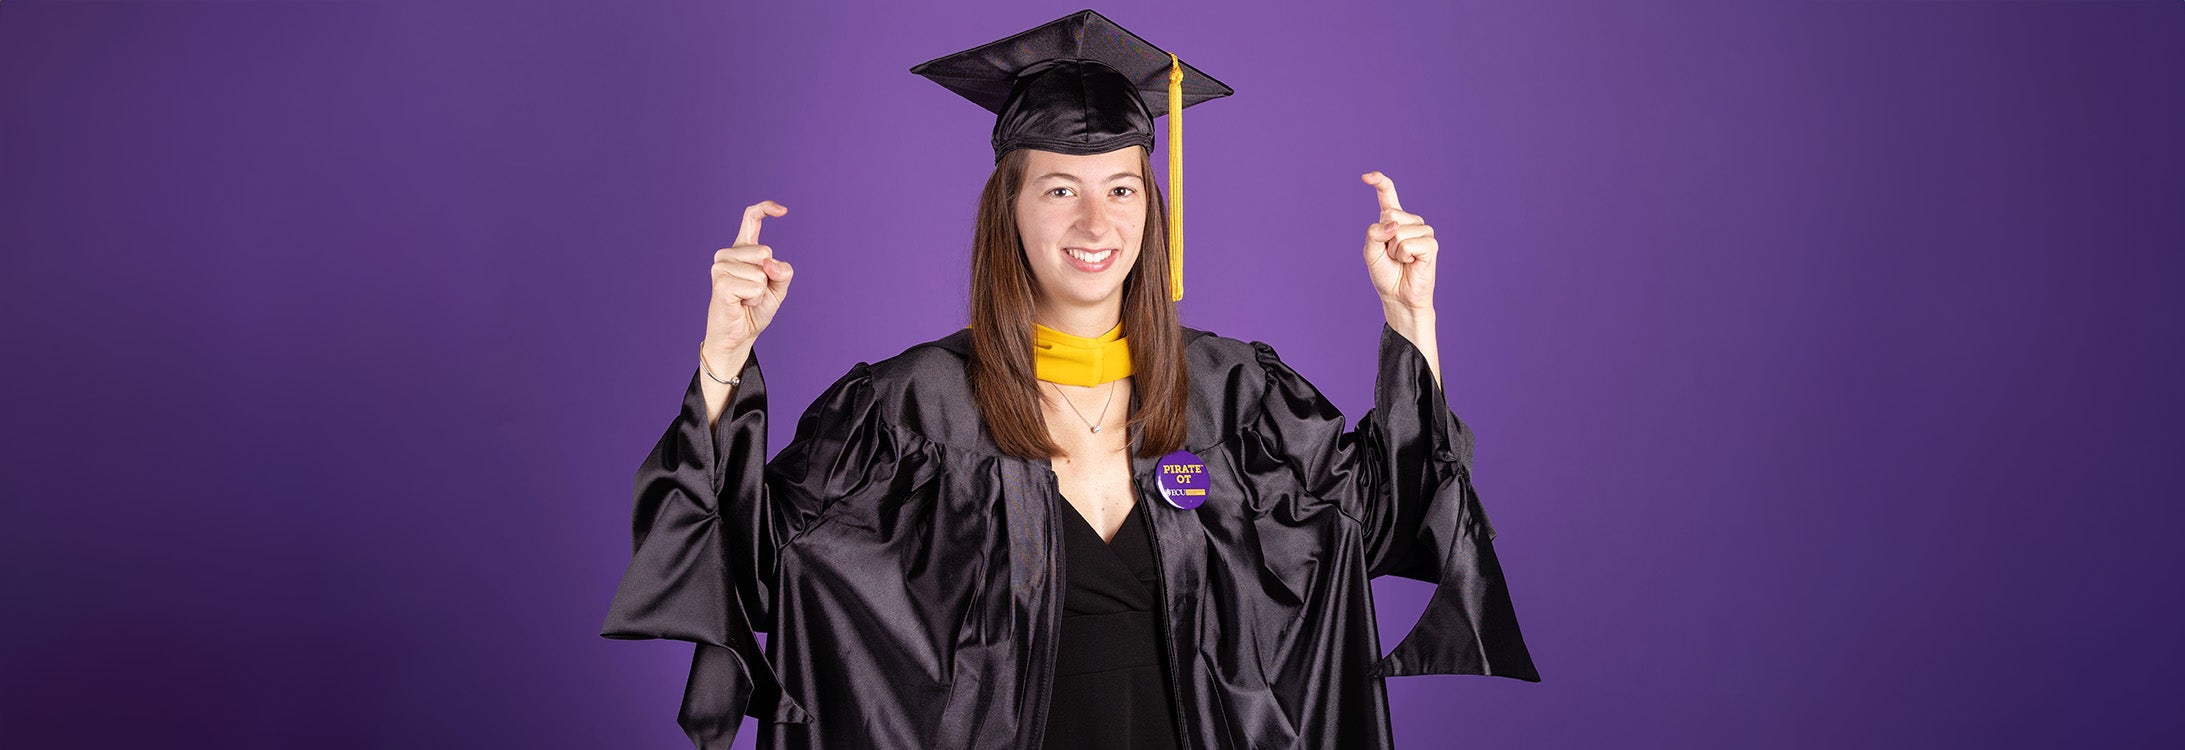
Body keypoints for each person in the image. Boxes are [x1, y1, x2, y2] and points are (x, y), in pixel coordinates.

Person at [602, 10, 1538, 750]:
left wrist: (1409, 318)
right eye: (1059, 188)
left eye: (1121, 187)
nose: (1096, 221)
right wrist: (724, 357)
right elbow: (746, 562)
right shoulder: (906, 410)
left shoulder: (1236, 396)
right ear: (1007, 209)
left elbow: (1382, 519)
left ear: (1149, 204)